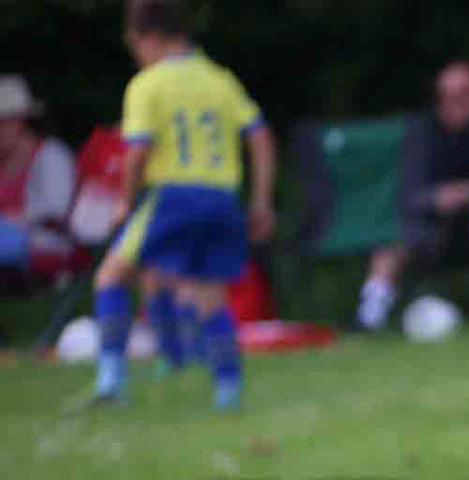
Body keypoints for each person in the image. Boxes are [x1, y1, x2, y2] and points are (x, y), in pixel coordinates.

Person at [91, 1, 274, 409]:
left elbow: (138, 151)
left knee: (111, 277)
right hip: (222, 198)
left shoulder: (147, 84)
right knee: (209, 294)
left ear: (150, 37)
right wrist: (261, 201)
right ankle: (227, 390)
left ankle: (111, 380)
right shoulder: (220, 79)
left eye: (134, 44)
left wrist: (125, 201)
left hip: (172, 195)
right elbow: (260, 136)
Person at [356, 61, 469, 331]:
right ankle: (370, 314)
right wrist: (439, 198)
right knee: (392, 239)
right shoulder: (422, 134)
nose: (459, 101)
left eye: (468, 92)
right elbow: (409, 192)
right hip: (424, 225)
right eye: (451, 94)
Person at [0, 75, 77, 288]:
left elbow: (56, 212)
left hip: (45, 243)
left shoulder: (51, 155)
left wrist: (13, 219)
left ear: (19, 121)